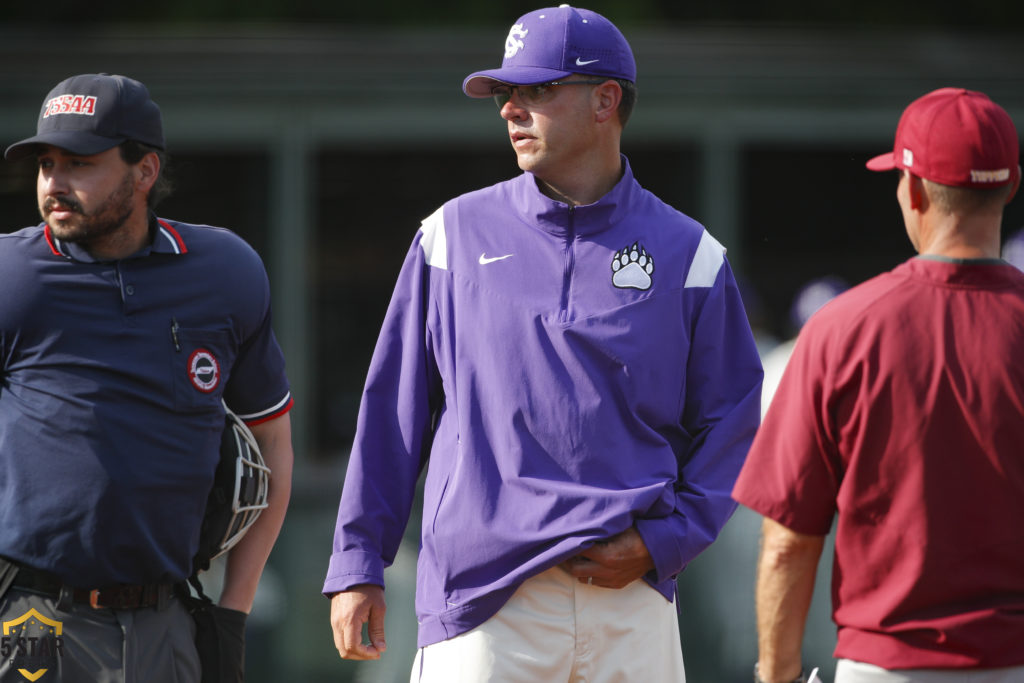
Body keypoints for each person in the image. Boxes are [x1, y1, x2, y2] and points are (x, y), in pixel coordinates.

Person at [323, 6, 762, 682]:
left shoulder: (691, 254)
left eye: (537, 91)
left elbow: (735, 422)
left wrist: (663, 540)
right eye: (506, 95)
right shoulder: (450, 236)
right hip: (481, 603)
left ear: (605, 101)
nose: (511, 111)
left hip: (632, 597)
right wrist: (358, 563)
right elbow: (391, 411)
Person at [0, 73, 294, 682]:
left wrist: (231, 614)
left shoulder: (227, 271)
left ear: (144, 172)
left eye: (79, 162)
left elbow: (272, 444)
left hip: (169, 622)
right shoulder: (11, 276)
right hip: (27, 619)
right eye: (46, 162)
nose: (54, 182)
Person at [733, 87, 1024, 683]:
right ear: (1010, 186)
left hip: (884, 666)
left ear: (912, 190)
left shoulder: (842, 329)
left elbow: (788, 542)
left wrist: (778, 674)